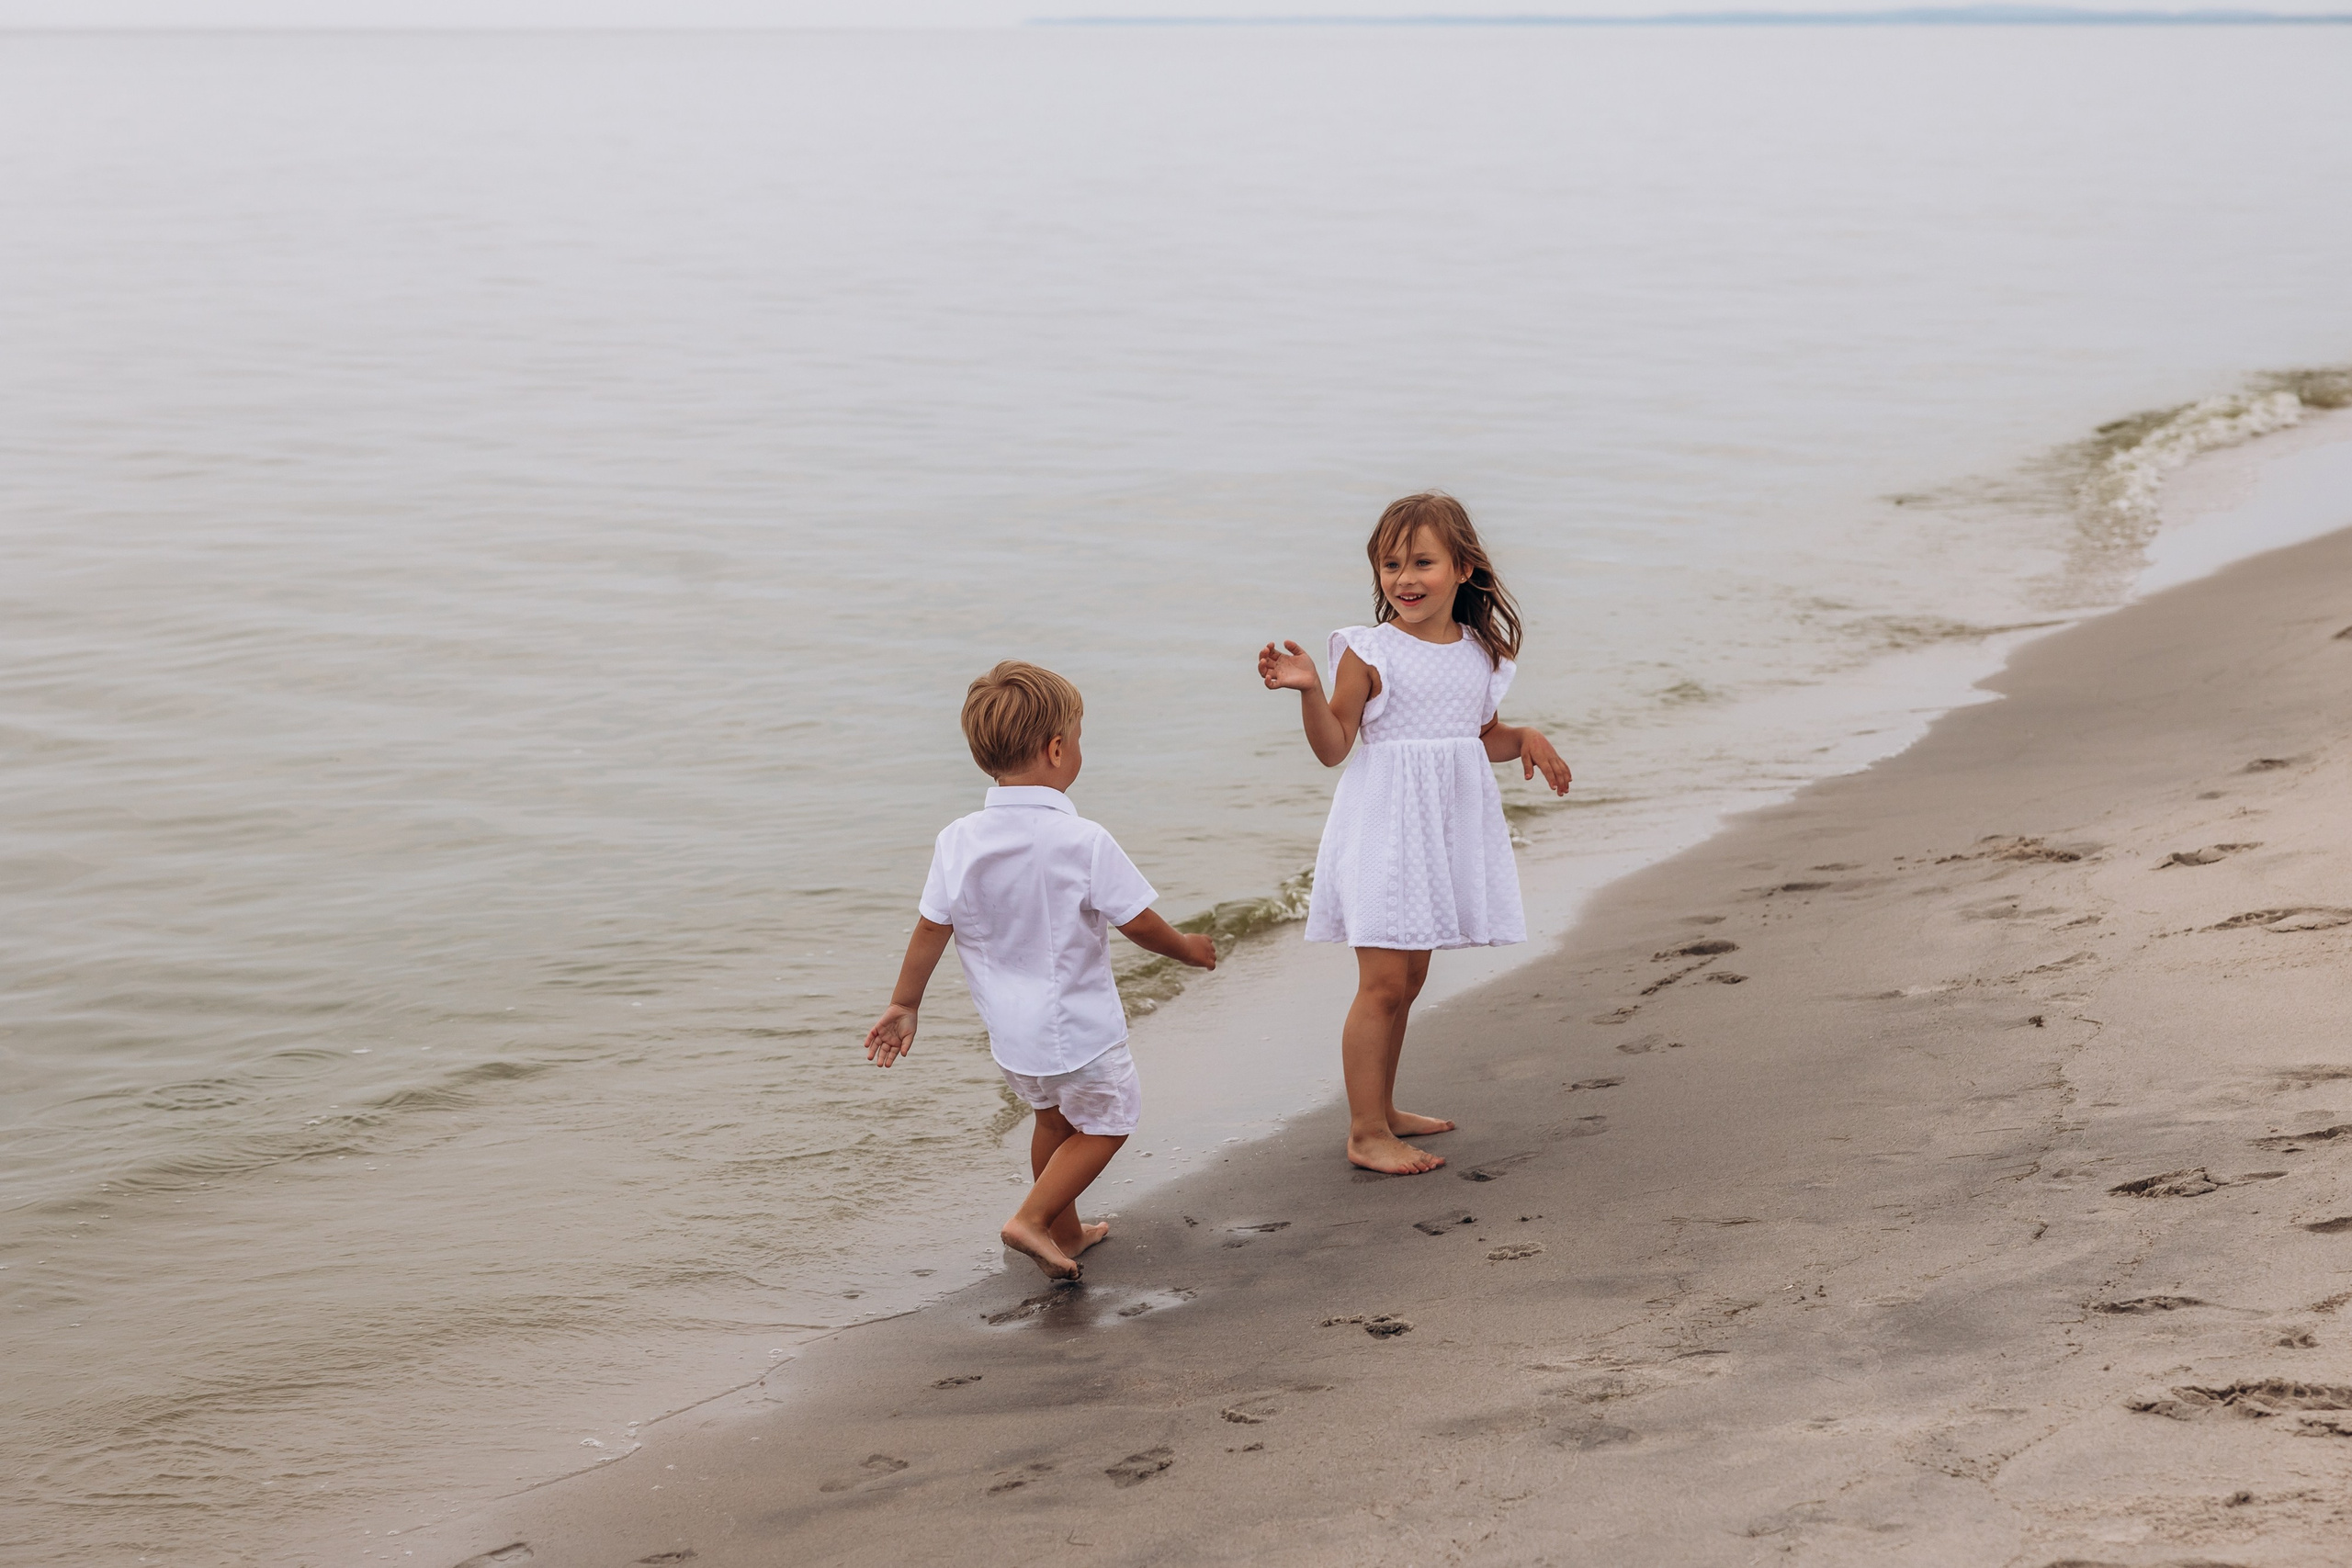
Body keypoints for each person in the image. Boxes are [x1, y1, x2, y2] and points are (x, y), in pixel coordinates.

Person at [863, 660, 1215, 1280]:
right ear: (1057, 749)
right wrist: (1187, 947)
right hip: (1080, 1030)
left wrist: (905, 1002)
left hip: (1011, 1037)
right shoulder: (1083, 840)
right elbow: (1137, 922)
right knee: (1110, 1121)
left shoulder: (957, 839)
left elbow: (932, 927)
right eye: (1077, 738)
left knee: (1053, 1119)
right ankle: (1031, 1218)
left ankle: (1065, 1230)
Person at [1257, 492, 1572, 1175]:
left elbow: (1478, 736)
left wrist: (1526, 737)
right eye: (1390, 564)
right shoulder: (1368, 651)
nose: (1405, 578)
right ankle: (1365, 1132)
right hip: (1383, 833)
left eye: (1422, 562)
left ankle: (1385, 1107)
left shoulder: (1480, 652)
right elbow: (1334, 746)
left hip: (1439, 838)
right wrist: (1310, 691)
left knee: (1412, 977)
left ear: (1463, 568)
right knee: (1381, 984)